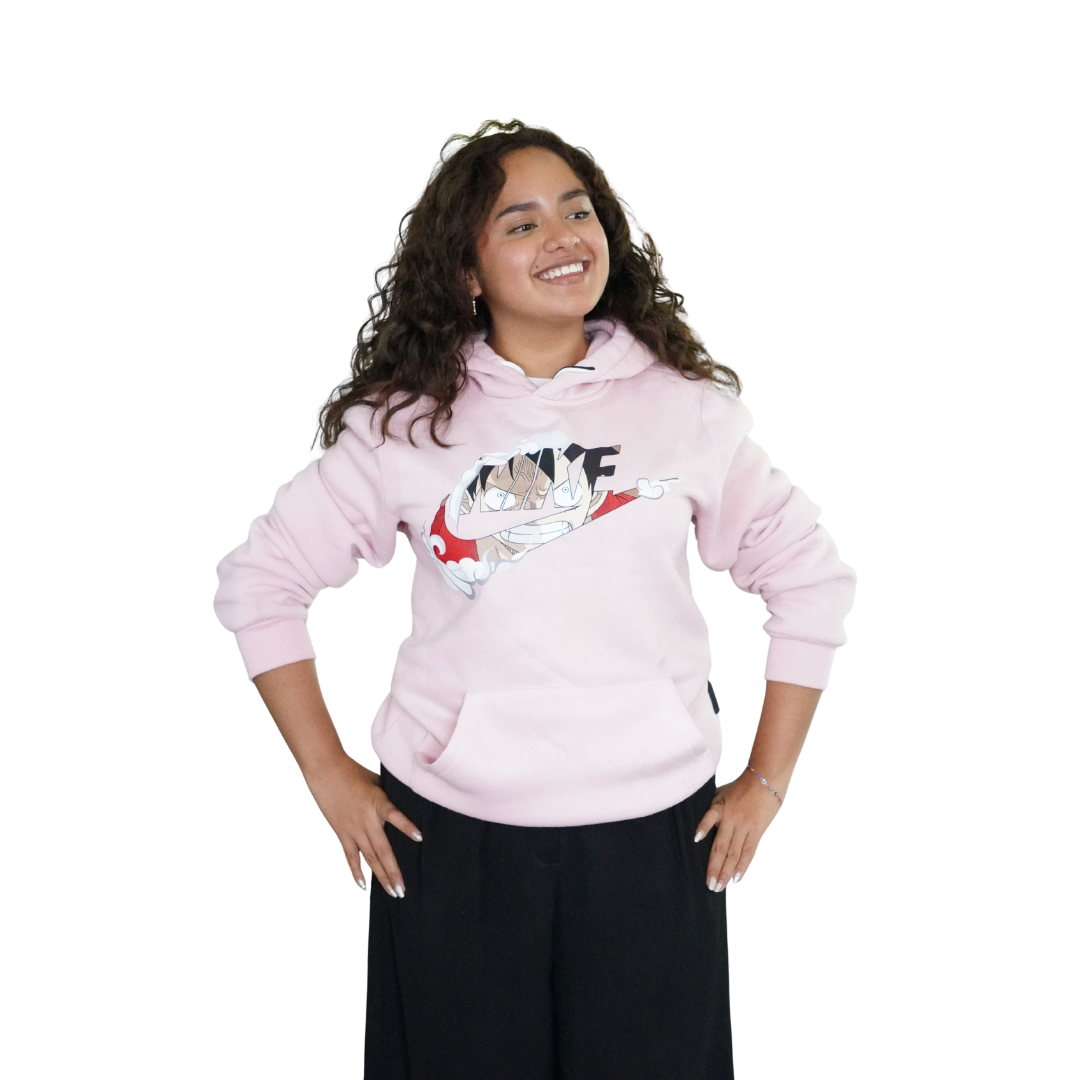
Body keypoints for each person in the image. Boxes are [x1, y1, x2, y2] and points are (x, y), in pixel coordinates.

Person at [211, 118, 858, 1079]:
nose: (562, 237)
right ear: (465, 271)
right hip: (448, 840)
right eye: (519, 224)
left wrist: (768, 781)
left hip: (657, 841)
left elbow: (812, 578)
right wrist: (326, 771)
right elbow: (259, 582)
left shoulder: (687, 409)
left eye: (577, 212)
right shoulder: (403, 424)